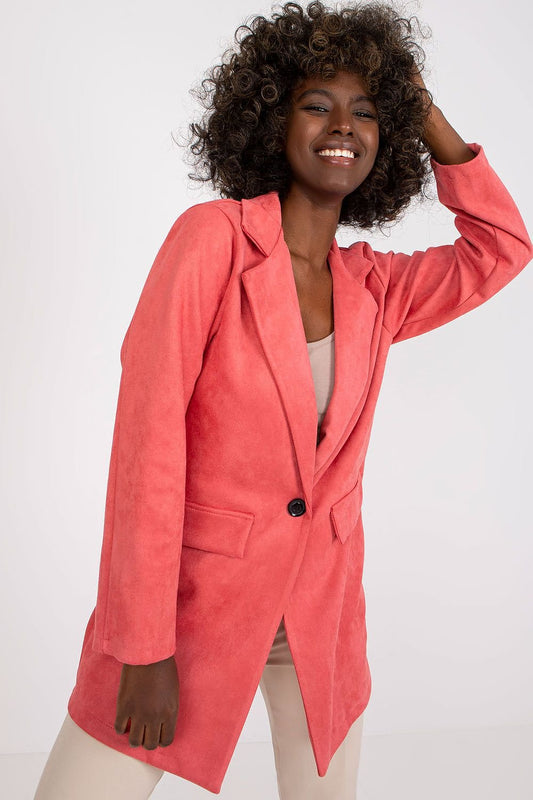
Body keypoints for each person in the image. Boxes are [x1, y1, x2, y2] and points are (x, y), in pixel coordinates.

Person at [34, 1, 532, 798]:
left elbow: (502, 247)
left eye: (366, 112)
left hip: (319, 621)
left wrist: (423, 110)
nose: (343, 127)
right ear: (270, 121)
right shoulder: (211, 240)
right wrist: (142, 647)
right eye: (317, 105)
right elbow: (146, 448)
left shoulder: (375, 287)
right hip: (192, 614)